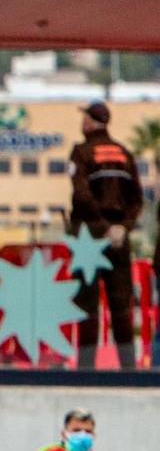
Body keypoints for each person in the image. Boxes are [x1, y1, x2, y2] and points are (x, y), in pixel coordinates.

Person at [67, 101, 141, 370]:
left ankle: (86, 368)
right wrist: (123, 226)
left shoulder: (81, 152)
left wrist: (99, 225)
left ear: (88, 122)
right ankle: (128, 368)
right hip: (119, 239)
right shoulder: (124, 153)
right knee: (121, 305)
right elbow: (136, 197)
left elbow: (81, 193)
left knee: (87, 305)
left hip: (89, 237)